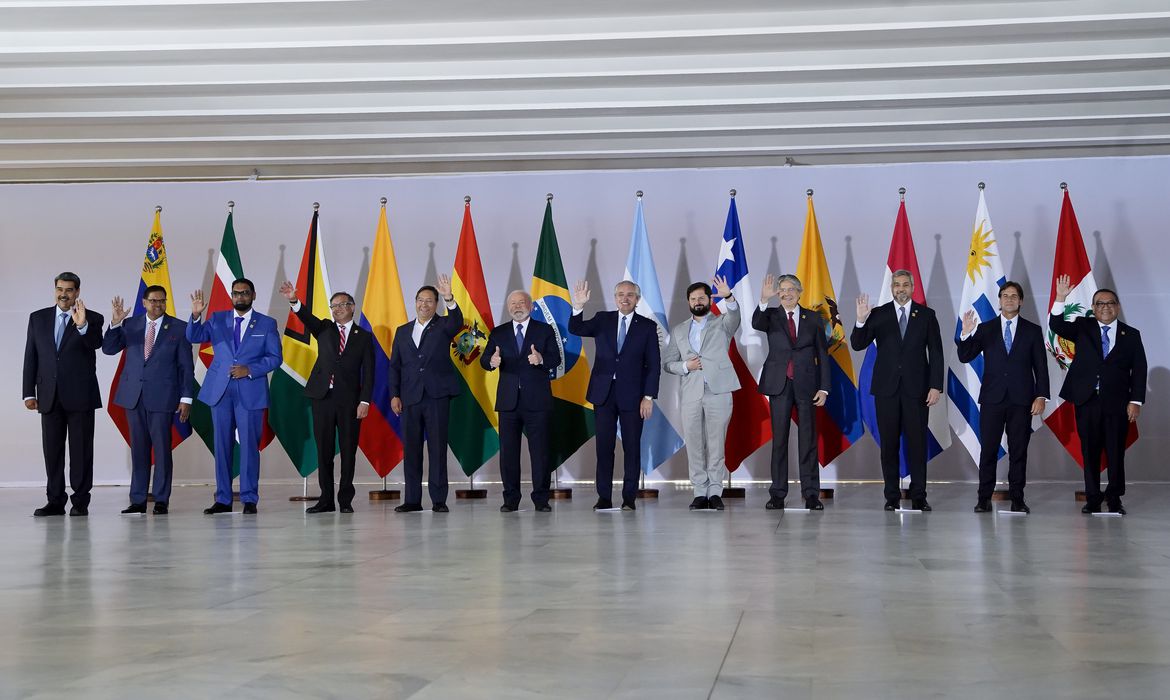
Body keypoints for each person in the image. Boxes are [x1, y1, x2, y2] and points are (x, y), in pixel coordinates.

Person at [1050, 275, 1146, 515]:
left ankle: (1114, 498)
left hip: (1118, 404)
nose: (1105, 307)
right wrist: (1060, 297)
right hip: (1087, 400)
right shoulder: (1084, 327)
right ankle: (1092, 497)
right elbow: (1057, 326)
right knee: (1090, 451)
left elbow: (1140, 369)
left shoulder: (1131, 335)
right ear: (1093, 308)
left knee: (1115, 451)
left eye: (1110, 303)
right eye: (1100, 304)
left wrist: (1136, 401)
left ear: (1118, 307)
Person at [850, 270, 943, 511]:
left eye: (905, 285)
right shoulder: (878, 314)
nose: (900, 289)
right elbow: (858, 344)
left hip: (917, 390)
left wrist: (935, 386)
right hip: (886, 391)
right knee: (889, 445)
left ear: (912, 287)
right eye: (896, 285)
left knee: (917, 444)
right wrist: (861, 320)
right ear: (892, 288)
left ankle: (919, 496)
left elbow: (936, 352)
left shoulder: (926, 315)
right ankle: (891, 496)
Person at [187, 278, 282, 515]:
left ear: (253, 295)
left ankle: (249, 498)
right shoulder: (218, 319)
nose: (240, 297)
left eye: (245, 293)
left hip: (250, 391)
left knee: (250, 446)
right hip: (220, 391)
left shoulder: (267, 323)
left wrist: (250, 370)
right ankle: (223, 499)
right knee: (221, 446)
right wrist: (196, 315)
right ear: (231, 295)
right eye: (236, 293)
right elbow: (194, 336)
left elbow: (275, 357)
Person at [280, 281, 374, 514]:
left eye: (342, 305)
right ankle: (326, 499)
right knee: (324, 450)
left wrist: (365, 401)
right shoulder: (324, 328)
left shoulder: (363, 336)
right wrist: (294, 300)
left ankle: (345, 500)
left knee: (348, 450)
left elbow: (371, 372)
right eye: (333, 306)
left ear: (352, 307)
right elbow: (305, 316)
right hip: (322, 397)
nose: (337, 309)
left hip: (350, 402)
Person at [956, 282, 1049, 514]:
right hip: (992, 399)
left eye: (1014, 296)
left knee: (1019, 451)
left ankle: (1018, 498)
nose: (1009, 299)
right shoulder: (986, 328)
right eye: (1005, 295)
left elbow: (1041, 367)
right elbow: (965, 356)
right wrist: (966, 333)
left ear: (1021, 301)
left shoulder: (1032, 330)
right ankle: (983, 498)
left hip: (1022, 400)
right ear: (999, 300)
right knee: (988, 450)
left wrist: (1041, 396)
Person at [102, 285, 195, 515]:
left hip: (163, 398)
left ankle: (162, 499)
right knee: (139, 450)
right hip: (134, 397)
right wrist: (114, 323)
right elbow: (109, 348)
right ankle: (138, 500)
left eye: (162, 301)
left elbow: (186, 368)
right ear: (143, 302)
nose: (158, 305)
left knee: (162, 450)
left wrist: (186, 398)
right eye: (153, 301)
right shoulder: (130, 325)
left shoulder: (179, 328)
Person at [569, 280, 660, 511]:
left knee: (632, 448)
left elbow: (654, 365)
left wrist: (648, 396)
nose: (625, 298)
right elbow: (576, 329)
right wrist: (578, 307)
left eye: (630, 295)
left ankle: (629, 498)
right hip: (604, 395)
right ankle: (604, 498)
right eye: (620, 294)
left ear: (637, 299)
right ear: (615, 297)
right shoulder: (602, 319)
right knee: (604, 448)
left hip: (634, 397)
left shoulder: (647, 327)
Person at [23, 272, 105, 517]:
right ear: (55, 289)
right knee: (53, 451)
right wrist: (28, 392)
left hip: (80, 396)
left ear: (77, 292)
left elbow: (96, 344)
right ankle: (55, 501)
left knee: (81, 452)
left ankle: (80, 502)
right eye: (60, 289)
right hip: (48, 395)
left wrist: (82, 325)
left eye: (69, 290)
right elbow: (31, 356)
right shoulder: (38, 318)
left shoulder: (93, 318)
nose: (64, 294)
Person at [753, 273, 830, 511]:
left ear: (799, 292)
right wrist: (763, 300)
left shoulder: (814, 318)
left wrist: (824, 388)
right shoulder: (771, 316)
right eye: (782, 290)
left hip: (807, 385)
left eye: (790, 289)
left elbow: (823, 355)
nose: (786, 293)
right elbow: (757, 323)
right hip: (780, 384)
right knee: (780, 441)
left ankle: (811, 494)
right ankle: (777, 494)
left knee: (808, 440)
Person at [663, 276, 739, 511]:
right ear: (688, 302)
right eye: (693, 298)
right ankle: (699, 492)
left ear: (709, 300)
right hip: (691, 392)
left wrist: (728, 297)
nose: (697, 301)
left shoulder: (722, 323)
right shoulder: (679, 330)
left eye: (702, 298)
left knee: (716, 443)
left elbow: (735, 316)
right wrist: (686, 366)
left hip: (719, 390)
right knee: (695, 443)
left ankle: (715, 491)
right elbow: (668, 363)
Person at [387, 277, 463, 513]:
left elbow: (457, 322)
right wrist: (395, 394)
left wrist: (450, 298)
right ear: (415, 302)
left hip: (437, 395)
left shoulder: (444, 325)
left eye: (430, 301)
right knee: (411, 449)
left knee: (437, 449)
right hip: (409, 397)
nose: (424, 305)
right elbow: (395, 366)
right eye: (421, 300)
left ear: (436, 304)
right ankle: (412, 499)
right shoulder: (402, 331)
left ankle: (439, 500)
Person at [481, 290, 561, 512]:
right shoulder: (498, 333)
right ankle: (510, 500)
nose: (517, 306)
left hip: (537, 401)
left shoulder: (544, 330)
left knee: (541, 452)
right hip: (508, 402)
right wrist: (491, 361)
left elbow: (556, 358)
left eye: (521, 302)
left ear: (531, 306)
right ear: (508, 308)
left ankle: (541, 499)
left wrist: (541, 359)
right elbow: (484, 360)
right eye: (513, 303)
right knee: (508, 453)